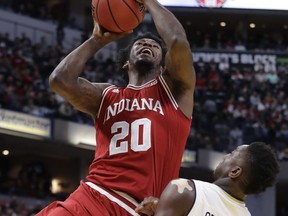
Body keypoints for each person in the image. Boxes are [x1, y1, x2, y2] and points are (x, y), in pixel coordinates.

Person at [37, 0, 195, 215]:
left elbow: (177, 41)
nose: (147, 44)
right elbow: (59, 80)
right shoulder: (106, 96)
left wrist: (149, 2)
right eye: (139, 44)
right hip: (93, 195)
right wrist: (96, 40)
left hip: (139, 208)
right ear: (125, 63)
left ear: (164, 67)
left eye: (155, 46)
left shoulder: (175, 91)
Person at [135, 142, 280, 216]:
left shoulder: (184, 190)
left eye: (232, 154)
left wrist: (168, 206)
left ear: (235, 171)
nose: (225, 157)